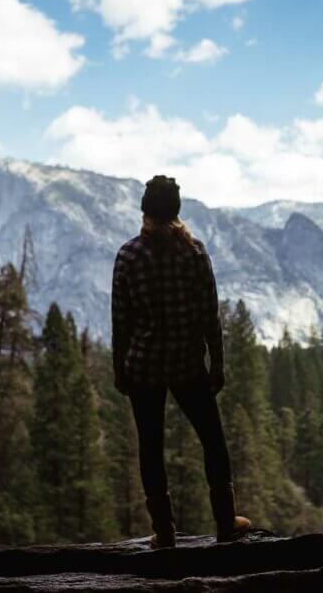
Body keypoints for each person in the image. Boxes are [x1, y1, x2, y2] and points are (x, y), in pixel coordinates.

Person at [111, 175, 251, 549]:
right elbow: (210, 315)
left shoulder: (129, 256)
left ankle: (165, 531)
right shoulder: (194, 253)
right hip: (188, 365)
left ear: (144, 210)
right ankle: (225, 522)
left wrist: (119, 368)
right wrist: (217, 363)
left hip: (144, 367)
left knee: (151, 447)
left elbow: (120, 320)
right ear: (176, 210)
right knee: (213, 440)